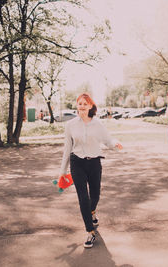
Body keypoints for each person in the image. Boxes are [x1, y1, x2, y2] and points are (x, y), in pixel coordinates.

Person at [59, 93, 123, 248]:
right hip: (77, 163)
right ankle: (90, 232)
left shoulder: (97, 124)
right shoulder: (71, 125)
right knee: (83, 198)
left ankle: (92, 211)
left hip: (94, 163)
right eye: (79, 103)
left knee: (95, 195)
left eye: (85, 103)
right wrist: (62, 170)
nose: (82, 106)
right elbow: (68, 148)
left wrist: (115, 143)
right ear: (77, 106)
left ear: (90, 106)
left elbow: (108, 140)